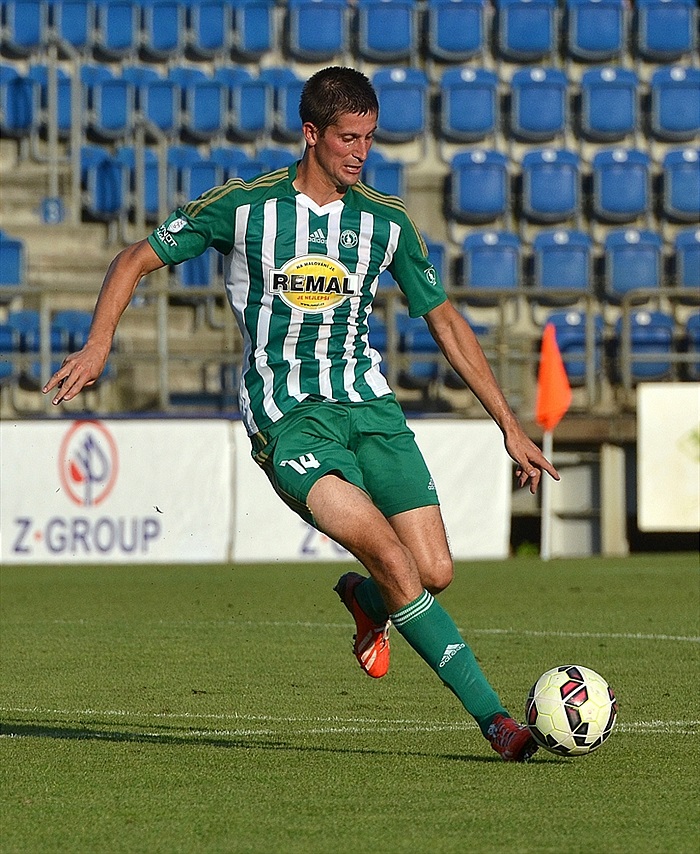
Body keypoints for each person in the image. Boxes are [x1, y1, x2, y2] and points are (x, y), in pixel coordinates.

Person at [43, 66, 560, 761]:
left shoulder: (385, 222)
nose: (361, 152)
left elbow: (445, 321)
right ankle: (497, 722)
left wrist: (510, 424)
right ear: (312, 134)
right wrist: (100, 342)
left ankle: (365, 604)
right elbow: (135, 258)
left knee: (433, 570)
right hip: (288, 419)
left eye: (370, 138)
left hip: (368, 407)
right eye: (349, 137)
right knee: (389, 555)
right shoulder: (244, 208)